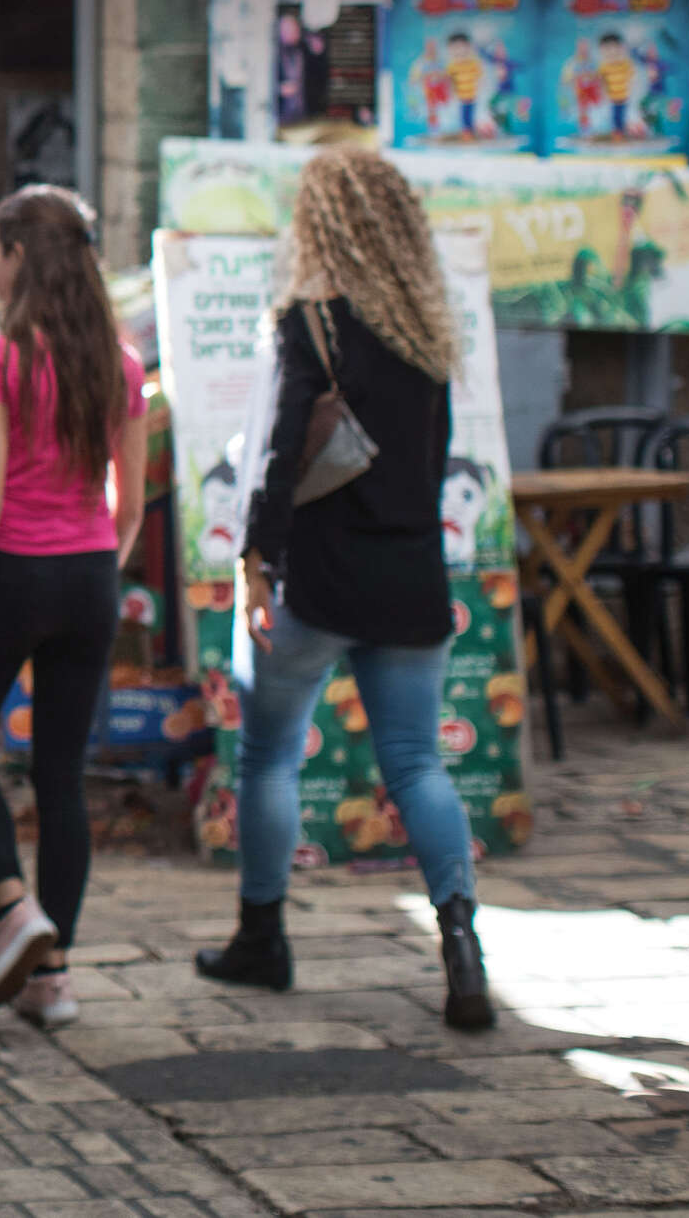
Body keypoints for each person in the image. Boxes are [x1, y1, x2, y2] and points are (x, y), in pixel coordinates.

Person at [197, 146, 492, 1030]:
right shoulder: (426, 335)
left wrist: (254, 563)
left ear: (319, 227)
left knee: (267, 756)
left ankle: (261, 937)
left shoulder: (310, 323)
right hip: (409, 578)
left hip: (316, 582)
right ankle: (460, 940)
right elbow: (432, 462)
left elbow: (275, 456)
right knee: (415, 762)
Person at [0, 186, 146, 1030]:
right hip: (89, 577)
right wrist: (97, 566)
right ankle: (54, 977)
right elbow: (130, 503)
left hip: (11, 574)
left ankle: (13, 905)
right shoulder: (119, 363)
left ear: (19, 256)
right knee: (59, 775)